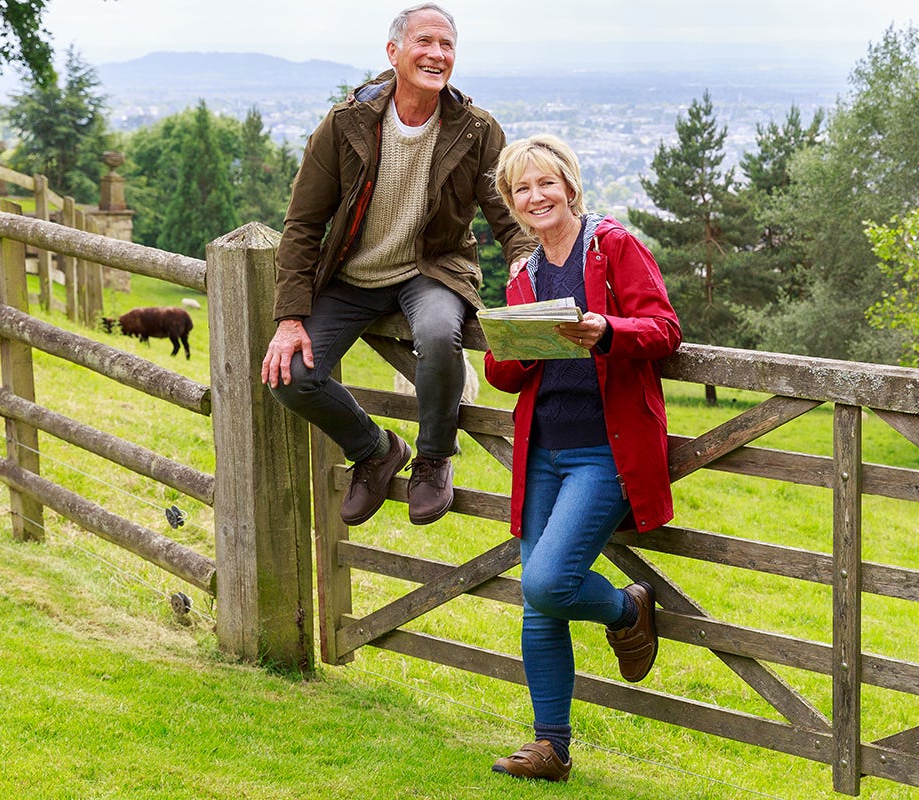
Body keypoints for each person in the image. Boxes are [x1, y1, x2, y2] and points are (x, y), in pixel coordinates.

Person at [261, 3, 533, 526]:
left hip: (433, 269)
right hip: (351, 274)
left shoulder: (475, 129)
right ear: (394, 52)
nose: (436, 54)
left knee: (437, 336)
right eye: (424, 42)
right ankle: (375, 451)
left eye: (446, 45)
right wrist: (290, 318)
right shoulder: (346, 123)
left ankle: (434, 459)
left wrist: (529, 272)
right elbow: (302, 224)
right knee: (289, 377)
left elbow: (508, 216)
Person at [484, 134, 682, 782]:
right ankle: (551, 749)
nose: (536, 197)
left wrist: (607, 332)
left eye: (546, 183)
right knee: (536, 603)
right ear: (513, 204)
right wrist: (516, 347)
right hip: (541, 452)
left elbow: (664, 329)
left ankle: (629, 609)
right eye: (522, 189)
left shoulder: (613, 246)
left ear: (569, 185)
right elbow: (504, 373)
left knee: (547, 582)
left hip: (605, 454)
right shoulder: (524, 274)